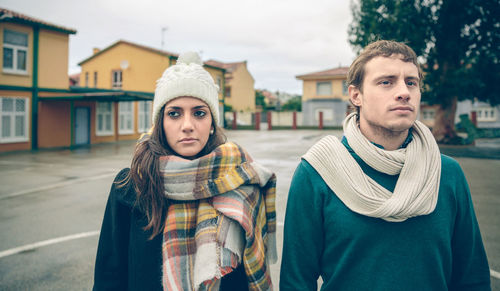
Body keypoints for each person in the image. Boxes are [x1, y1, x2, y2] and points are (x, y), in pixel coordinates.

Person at [280, 40, 491, 290]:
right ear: (356, 95)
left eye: (411, 82)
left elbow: (472, 277)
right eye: (386, 82)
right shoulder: (317, 172)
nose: (404, 92)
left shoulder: (446, 173)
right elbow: (296, 281)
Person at [93, 51, 277, 291]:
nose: (187, 125)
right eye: (174, 113)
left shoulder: (242, 184)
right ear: (160, 122)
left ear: (212, 123)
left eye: (199, 113)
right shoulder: (131, 185)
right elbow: (110, 276)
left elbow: (248, 279)